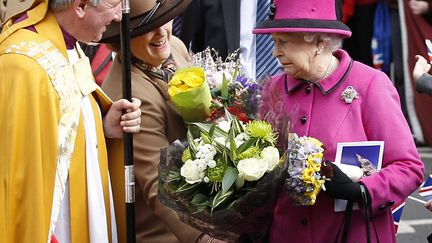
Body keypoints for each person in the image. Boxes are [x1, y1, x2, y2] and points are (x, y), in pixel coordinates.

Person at [254, 0, 424, 242]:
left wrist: (363, 190)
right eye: (274, 42)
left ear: (320, 42)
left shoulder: (370, 85)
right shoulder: (272, 88)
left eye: (284, 42)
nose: (275, 52)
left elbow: (408, 167)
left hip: (349, 234)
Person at [0, 0, 142, 242]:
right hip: (57, 223)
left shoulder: (68, 45)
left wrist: (104, 127)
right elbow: (20, 180)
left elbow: (66, 125)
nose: (119, 16)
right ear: (80, 6)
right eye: (114, 4)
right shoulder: (22, 64)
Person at [99, 0, 225, 242]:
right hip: (166, 233)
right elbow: (161, 185)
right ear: (123, 37)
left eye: (163, 19)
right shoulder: (131, 96)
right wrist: (205, 238)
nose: (161, 32)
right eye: (148, 27)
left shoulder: (173, 47)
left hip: (205, 209)